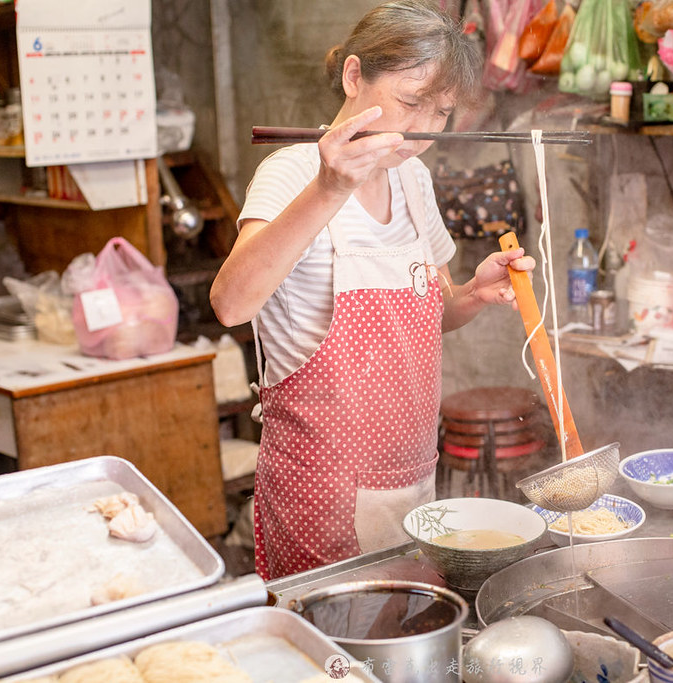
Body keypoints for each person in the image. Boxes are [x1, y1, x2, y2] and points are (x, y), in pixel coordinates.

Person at [210, 0, 535, 580]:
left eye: (441, 112)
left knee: (403, 641)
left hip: (411, 478)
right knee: (330, 656)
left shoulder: (414, 179)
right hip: (320, 483)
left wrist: (474, 295)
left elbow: (430, 313)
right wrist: (330, 188)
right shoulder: (290, 171)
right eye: (412, 103)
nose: (423, 130)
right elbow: (231, 304)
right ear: (354, 75)